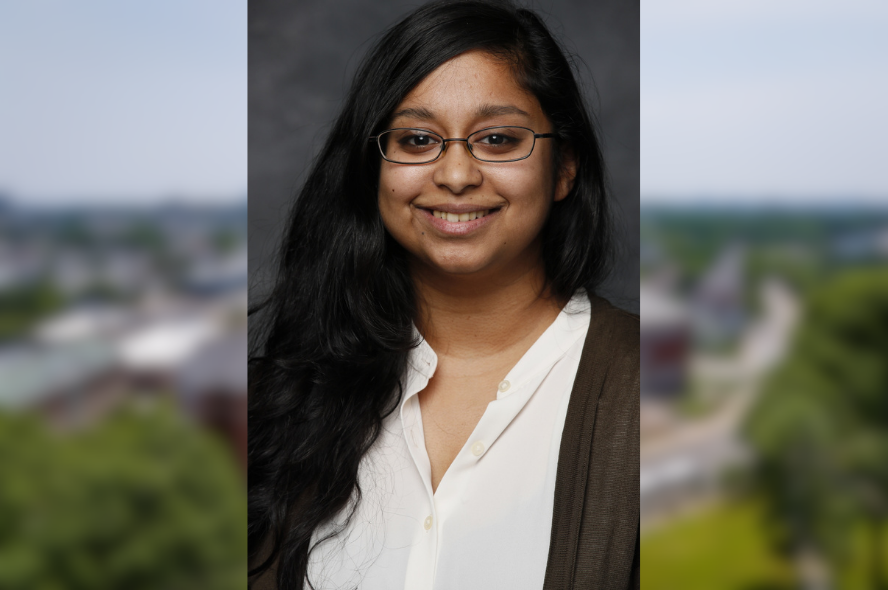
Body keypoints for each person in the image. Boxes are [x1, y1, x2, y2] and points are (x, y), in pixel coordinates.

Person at [248, 1, 639, 588]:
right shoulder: (277, 396)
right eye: (418, 139)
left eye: (500, 139)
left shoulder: (650, 386)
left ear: (564, 169)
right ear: (373, 168)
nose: (456, 175)